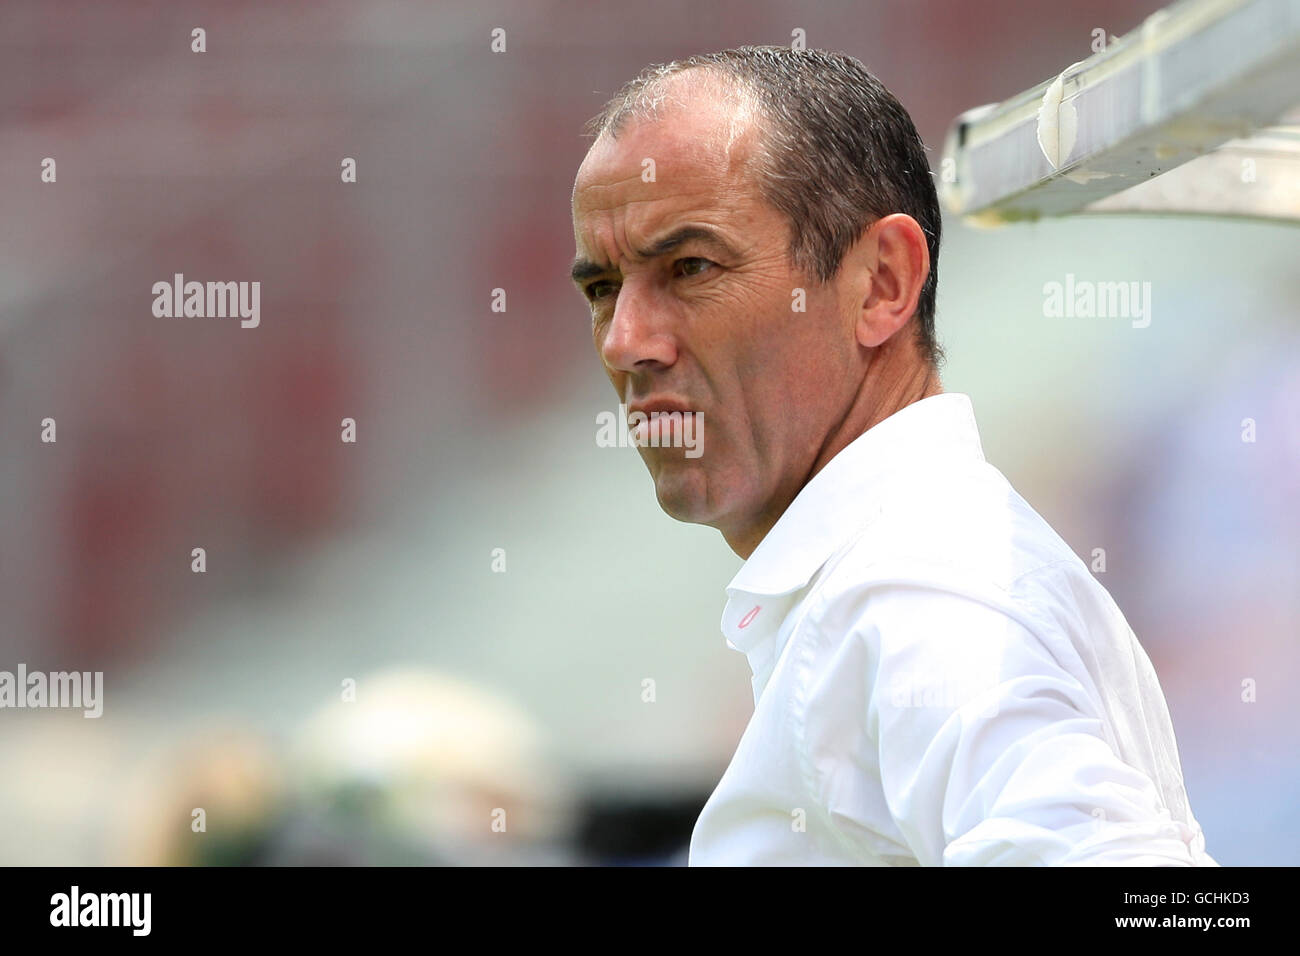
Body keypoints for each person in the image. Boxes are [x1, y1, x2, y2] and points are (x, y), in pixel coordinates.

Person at [569, 46, 1215, 866]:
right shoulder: (895, 573)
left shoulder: (914, 590)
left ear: (881, 283)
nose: (626, 342)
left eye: (690, 266)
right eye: (602, 291)